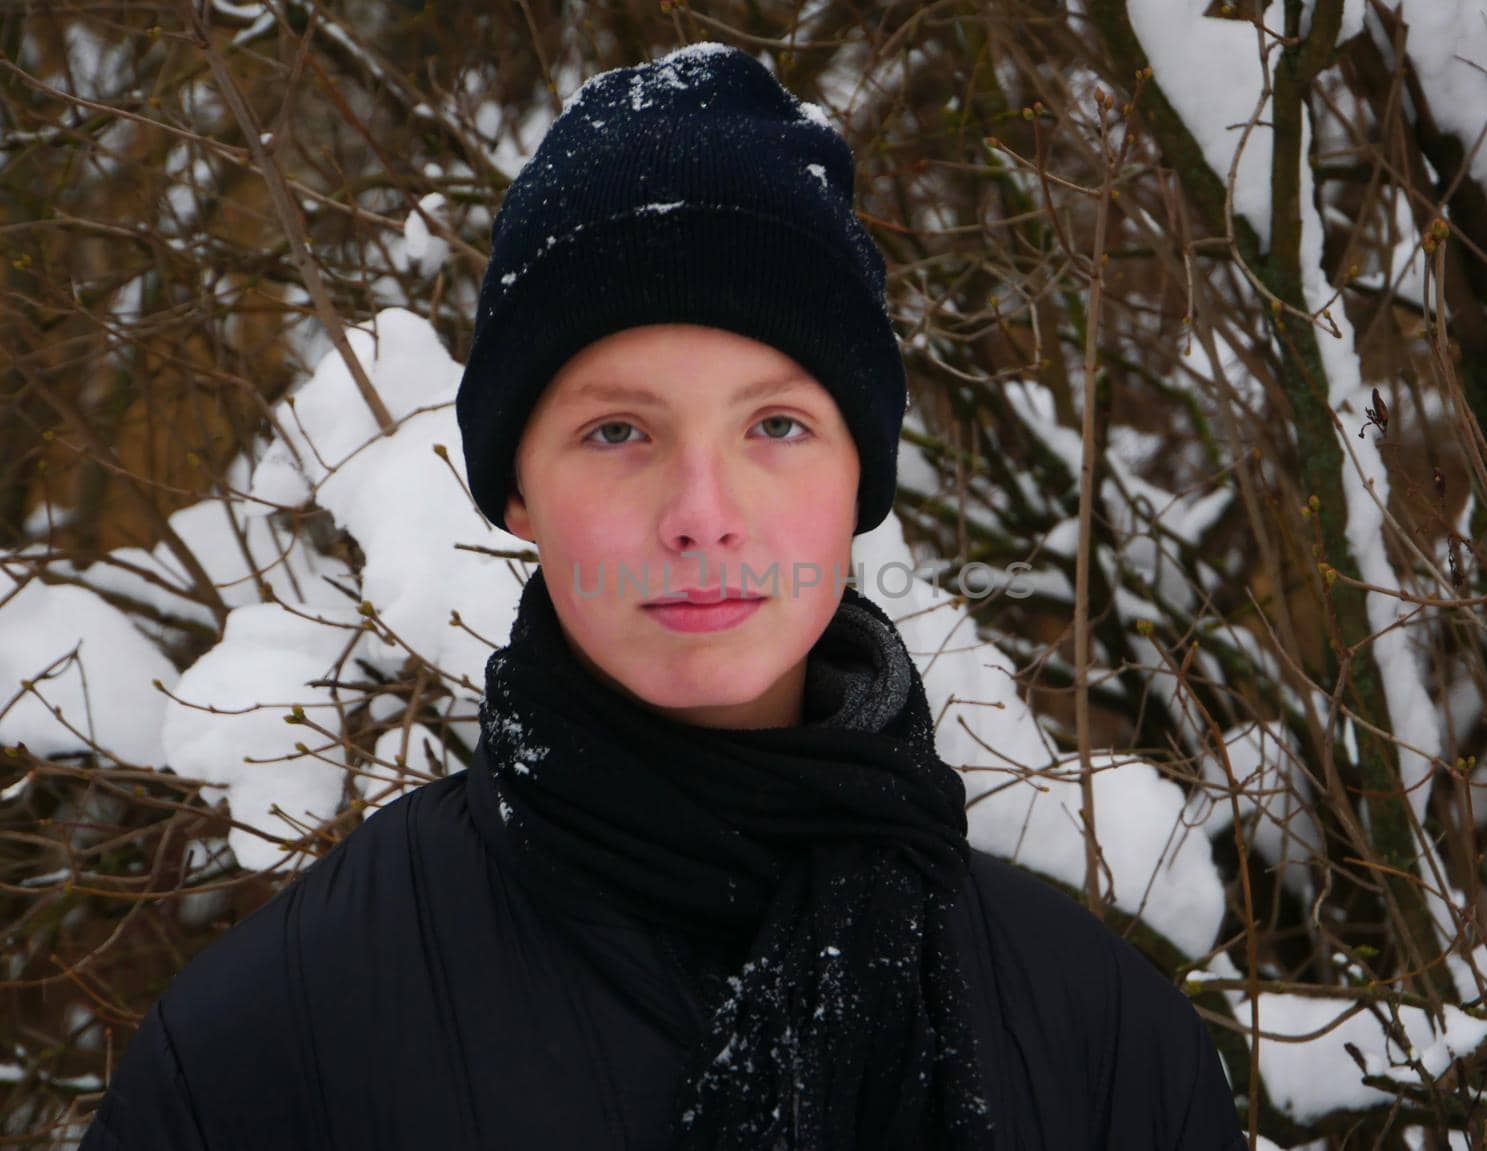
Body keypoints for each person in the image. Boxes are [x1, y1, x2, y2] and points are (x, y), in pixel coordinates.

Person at [80, 41, 1246, 1151]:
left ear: (857, 481)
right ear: (518, 490)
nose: (701, 509)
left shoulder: (1103, 1043)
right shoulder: (276, 1040)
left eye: (776, 424)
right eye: (617, 429)